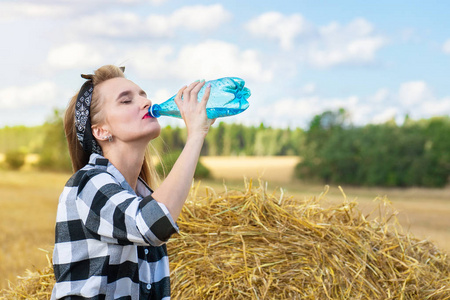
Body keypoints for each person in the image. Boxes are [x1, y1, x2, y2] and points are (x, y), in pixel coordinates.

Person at [51, 65, 215, 299]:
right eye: (126, 101)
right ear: (101, 130)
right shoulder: (87, 183)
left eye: (143, 95)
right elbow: (153, 224)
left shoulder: (140, 197)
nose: (146, 102)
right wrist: (196, 135)